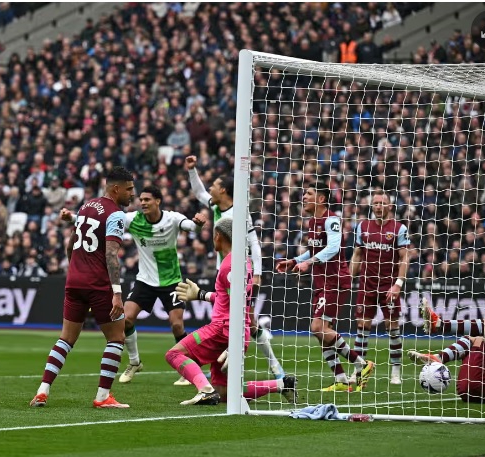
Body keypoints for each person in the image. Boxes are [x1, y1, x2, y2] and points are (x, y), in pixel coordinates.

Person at [63, 185, 207, 386]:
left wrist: (198, 223)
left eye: (147, 199)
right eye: (141, 199)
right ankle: (134, 362)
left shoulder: (172, 219)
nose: (143, 203)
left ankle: (187, 368)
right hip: (145, 281)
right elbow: (100, 222)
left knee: (177, 325)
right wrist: (71, 218)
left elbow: (190, 226)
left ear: (158, 201)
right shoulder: (132, 219)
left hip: (171, 281)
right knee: (126, 320)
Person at [30, 166, 135, 408]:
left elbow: (70, 246)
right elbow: (111, 255)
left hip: (74, 281)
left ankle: (42, 391)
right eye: (129, 189)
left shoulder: (87, 206)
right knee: (116, 338)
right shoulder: (116, 214)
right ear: (116, 189)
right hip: (98, 284)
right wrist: (117, 294)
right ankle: (103, 397)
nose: (132, 194)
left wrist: (75, 269)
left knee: (66, 338)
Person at [167, 217, 298, 405]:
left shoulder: (228, 266)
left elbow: (238, 306)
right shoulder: (242, 262)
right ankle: (282, 384)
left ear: (218, 236)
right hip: (232, 331)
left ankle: (204, 391)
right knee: (224, 393)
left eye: (213, 236)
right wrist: (201, 295)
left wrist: (234, 343)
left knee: (173, 354)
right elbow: (232, 299)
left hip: (223, 330)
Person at [185, 155, 285, 380]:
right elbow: (199, 193)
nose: (210, 188)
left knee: (247, 319)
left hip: (240, 273)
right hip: (224, 273)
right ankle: (220, 368)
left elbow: (254, 244)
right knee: (224, 320)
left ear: (224, 191)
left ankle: (275, 367)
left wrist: (257, 274)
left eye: (215, 185)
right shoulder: (215, 205)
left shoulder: (239, 212)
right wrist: (192, 171)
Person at [276, 181, 374, 392]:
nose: (304, 197)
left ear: (321, 198)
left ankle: (362, 364)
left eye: (308, 194)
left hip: (335, 281)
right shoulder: (312, 222)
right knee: (322, 331)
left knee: (318, 328)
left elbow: (332, 248)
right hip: (322, 282)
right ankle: (340, 379)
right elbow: (313, 251)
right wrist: (294, 261)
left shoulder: (331, 220)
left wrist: (308, 263)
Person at [349, 190, 410, 385]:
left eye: (382, 203)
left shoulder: (399, 228)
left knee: (392, 328)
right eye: (375, 203)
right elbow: (357, 254)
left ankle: (395, 371)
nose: (378, 206)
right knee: (362, 327)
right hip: (367, 285)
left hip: (388, 286)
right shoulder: (363, 227)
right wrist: (349, 278)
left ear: (390, 206)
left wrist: (398, 284)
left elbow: (404, 258)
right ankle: (359, 369)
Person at [410, 300, 485, 404]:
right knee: (475, 339)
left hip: (479, 386)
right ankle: (439, 358)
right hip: (472, 389)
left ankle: (440, 325)